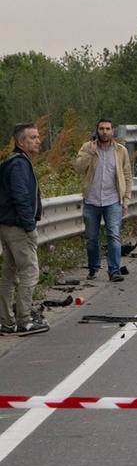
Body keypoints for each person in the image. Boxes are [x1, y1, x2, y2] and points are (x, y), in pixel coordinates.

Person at [0, 123, 48, 336]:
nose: (38, 140)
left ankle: (6, 321)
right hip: (19, 227)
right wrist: (29, 226)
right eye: (33, 137)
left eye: (38, 137)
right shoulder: (19, 165)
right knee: (29, 271)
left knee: (9, 274)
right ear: (21, 142)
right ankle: (24, 320)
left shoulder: (12, 163)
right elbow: (21, 196)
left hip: (7, 225)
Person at [74, 118, 133, 282]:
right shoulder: (87, 147)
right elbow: (78, 168)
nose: (104, 132)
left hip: (113, 199)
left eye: (107, 129)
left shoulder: (121, 151)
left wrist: (126, 199)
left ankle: (114, 270)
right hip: (92, 200)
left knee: (114, 235)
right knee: (92, 238)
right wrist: (91, 154)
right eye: (101, 129)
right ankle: (93, 267)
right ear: (97, 130)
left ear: (112, 131)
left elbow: (127, 176)